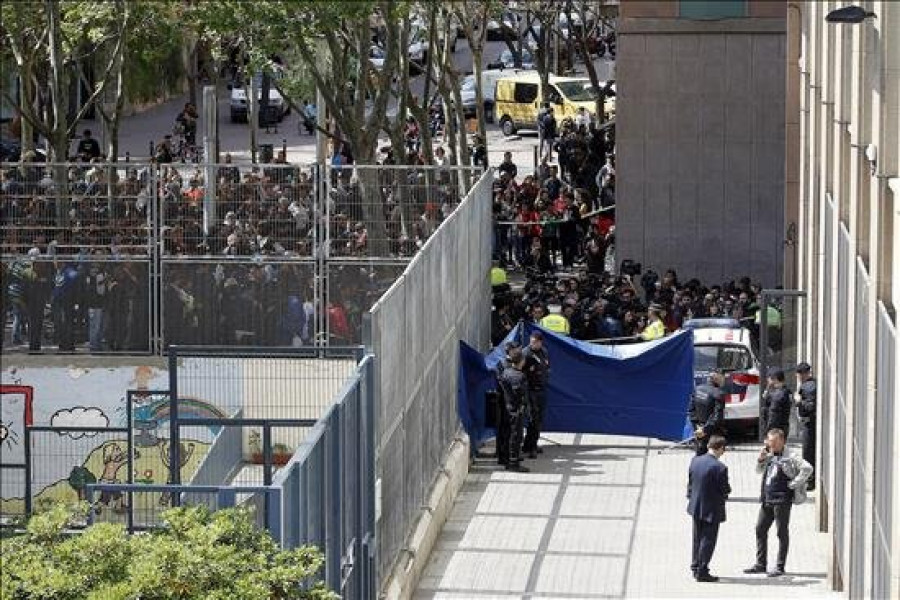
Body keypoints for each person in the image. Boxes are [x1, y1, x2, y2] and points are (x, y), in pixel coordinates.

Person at [744, 428, 812, 578]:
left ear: (782, 441)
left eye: (774, 442)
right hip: (767, 498)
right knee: (760, 529)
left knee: (781, 532)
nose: (771, 445)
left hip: (782, 500)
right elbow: (758, 471)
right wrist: (761, 459)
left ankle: (780, 566)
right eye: (769, 441)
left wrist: (794, 483)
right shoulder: (768, 453)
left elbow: (807, 468)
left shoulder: (791, 455)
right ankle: (761, 564)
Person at [687, 435, 731, 582]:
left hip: (696, 506)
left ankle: (695, 566)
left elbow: (691, 482)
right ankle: (702, 570)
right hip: (712, 509)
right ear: (720, 449)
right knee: (708, 540)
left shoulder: (695, 460)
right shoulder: (720, 468)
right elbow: (725, 490)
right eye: (723, 450)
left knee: (697, 538)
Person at [497, 345, 530, 472]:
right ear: (522, 361)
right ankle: (513, 462)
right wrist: (523, 406)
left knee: (509, 434)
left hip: (508, 407)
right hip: (516, 410)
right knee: (516, 436)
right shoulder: (519, 376)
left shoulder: (506, 372)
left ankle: (509, 459)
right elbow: (520, 395)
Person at [522, 331, 549, 458]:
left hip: (541, 390)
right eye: (531, 341)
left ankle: (531, 443)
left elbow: (546, 368)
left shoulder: (544, 352)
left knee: (539, 419)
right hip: (530, 391)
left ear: (540, 342)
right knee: (533, 419)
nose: (532, 344)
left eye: (535, 342)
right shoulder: (526, 354)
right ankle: (530, 447)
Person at [689, 371, 726, 456]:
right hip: (712, 433)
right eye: (722, 378)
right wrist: (704, 430)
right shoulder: (718, 393)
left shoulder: (697, 389)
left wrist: (697, 427)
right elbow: (717, 417)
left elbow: (691, 411)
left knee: (699, 455)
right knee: (710, 459)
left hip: (700, 431)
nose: (724, 380)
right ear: (716, 379)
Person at [795, 362, 817, 491]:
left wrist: (799, 401)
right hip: (808, 423)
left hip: (810, 424)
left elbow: (810, 406)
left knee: (808, 452)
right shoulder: (808, 385)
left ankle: (810, 481)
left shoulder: (809, 387)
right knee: (807, 452)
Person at [762, 367, 792, 438]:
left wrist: (767, 431)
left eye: (768, 378)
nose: (767, 380)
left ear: (774, 378)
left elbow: (773, 415)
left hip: (775, 431)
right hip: (781, 428)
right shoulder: (785, 391)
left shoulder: (778, 395)